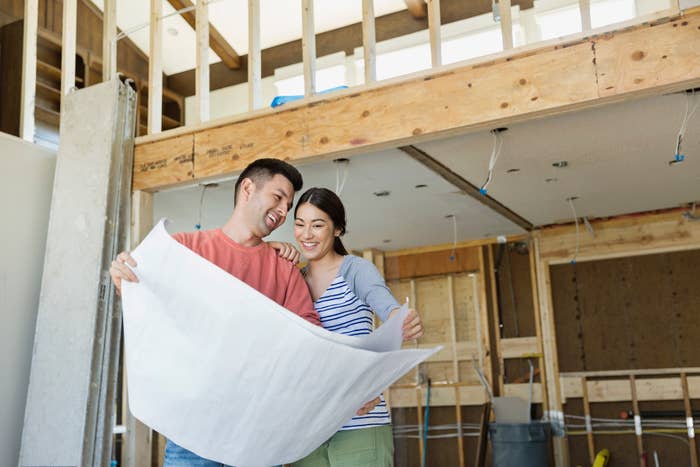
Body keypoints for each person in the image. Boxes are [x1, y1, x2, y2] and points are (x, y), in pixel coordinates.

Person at [110, 158, 325, 467]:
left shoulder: (284, 270)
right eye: (278, 197)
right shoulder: (183, 248)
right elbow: (144, 298)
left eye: (288, 206)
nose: (282, 211)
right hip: (192, 432)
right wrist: (123, 277)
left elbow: (311, 339)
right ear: (248, 188)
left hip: (258, 435)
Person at [285, 187, 424, 467]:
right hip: (308, 429)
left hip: (359, 423)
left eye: (318, 225)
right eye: (299, 224)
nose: (306, 234)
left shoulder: (355, 270)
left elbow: (385, 304)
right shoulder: (293, 279)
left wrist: (401, 319)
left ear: (337, 229)